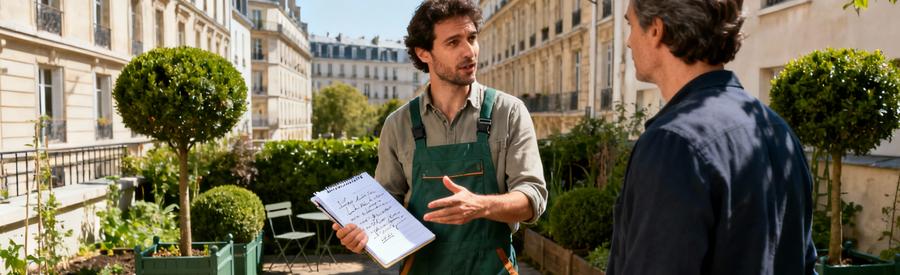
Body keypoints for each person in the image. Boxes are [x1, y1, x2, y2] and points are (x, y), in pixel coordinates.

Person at [331, 0, 548, 274]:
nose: (469, 51)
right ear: (424, 53)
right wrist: (361, 238)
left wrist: (480, 205)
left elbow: (533, 199)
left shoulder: (509, 112)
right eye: (453, 42)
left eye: (472, 38)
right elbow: (383, 211)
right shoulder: (398, 125)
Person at [607, 0, 817, 274]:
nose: (628, 42)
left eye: (630, 25)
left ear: (656, 30)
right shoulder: (777, 130)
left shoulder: (674, 144)